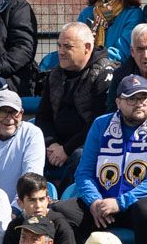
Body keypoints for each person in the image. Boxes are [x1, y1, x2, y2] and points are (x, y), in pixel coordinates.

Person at [53, 74, 147, 244]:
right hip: (105, 201)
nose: (139, 103)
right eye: (132, 99)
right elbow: (84, 173)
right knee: (58, 211)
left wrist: (120, 202)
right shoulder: (101, 125)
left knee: (143, 210)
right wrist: (95, 202)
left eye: (144, 97)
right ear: (118, 102)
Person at [36, 22, 116, 187]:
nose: (60, 51)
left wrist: (66, 149)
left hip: (87, 145)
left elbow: (100, 123)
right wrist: (52, 143)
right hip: (56, 145)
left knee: (81, 156)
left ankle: (62, 203)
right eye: (59, 45)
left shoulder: (104, 74)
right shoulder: (55, 74)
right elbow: (43, 117)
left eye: (67, 46)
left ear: (87, 47)